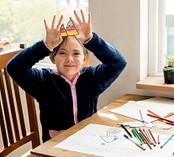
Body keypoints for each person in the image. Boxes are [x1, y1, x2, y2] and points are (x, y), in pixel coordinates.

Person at [7, 10, 127, 142]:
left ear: (84, 58)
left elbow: (118, 63)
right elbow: (15, 67)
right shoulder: (43, 81)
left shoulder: (92, 78)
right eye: (62, 53)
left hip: (87, 141)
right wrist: (45, 46)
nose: (69, 59)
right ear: (53, 58)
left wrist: (91, 40)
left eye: (76, 54)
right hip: (55, 147)